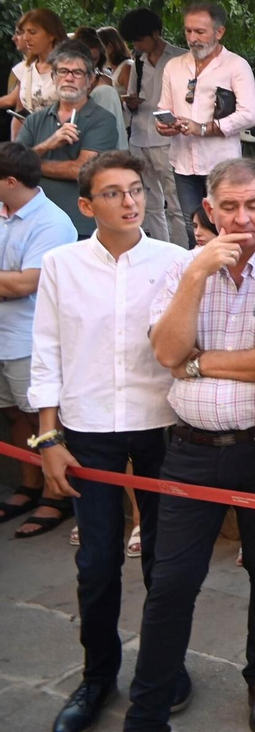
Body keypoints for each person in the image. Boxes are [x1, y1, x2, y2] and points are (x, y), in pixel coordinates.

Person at [124, 158, 255, 732]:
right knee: (172, 577)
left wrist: (201, 365)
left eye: (254, 204)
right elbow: (166, 352)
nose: (243, 217)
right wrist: (195, 277)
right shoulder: (184, 268)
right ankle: (150, 702)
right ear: (208, 209)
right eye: (229, 206)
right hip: (191, 449)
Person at [31, 151, 189, 732]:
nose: (129, 202)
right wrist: (48, 436)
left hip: (160, 427)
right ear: (86, 205)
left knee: (162, 563)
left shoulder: (175, 261)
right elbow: (47, 349)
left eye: (135, 191)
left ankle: (165, 666)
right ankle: (97, 676)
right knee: (96, 564)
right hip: (87, 431)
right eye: (114, 193)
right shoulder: (61, 264)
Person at [0, 143, 78, 534]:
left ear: (10, 181)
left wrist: (9, 283)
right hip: (3, 337)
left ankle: (55, 496)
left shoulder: (52, 222)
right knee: (13, 413)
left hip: (29, 339)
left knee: (40, 414)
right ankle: (28, 487)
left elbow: (27, 283)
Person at [154, 2, 255, 228]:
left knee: (225, 225)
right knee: (194, 229)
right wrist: (163, 126)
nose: (192, 38)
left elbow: (250, 114)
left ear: (219, 32)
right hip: (182, 162)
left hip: (221, 164)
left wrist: (202, 128)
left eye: (200, 32)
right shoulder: (174, 66)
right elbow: (165, 108)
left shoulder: (236, 66)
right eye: (188, 31)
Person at [20, 41, 123, 237]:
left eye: (77, 73)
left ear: (90, 79)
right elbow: (10, 168)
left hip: (80, 225)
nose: (69, 78)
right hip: (34, 223)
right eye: (63, 71)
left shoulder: (102, 119)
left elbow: (81, 170)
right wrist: (47, 144)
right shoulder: (35, 120)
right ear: (53, 77)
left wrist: (32, 164)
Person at [117, 8, 188, 243]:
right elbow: (132, 97)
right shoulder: (138, 62)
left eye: (140, 39)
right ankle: (159, 247)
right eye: (133, 41)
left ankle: (181, 252)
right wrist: (132, 103)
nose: (137, 45)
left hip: (169, 140)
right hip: (139, 137)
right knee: (149, 201)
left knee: (176, 202)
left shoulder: (181, 59)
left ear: (155, 33)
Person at [4, 7, 65, 135]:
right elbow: (20, 111)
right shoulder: (26, 68)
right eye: (23, 32)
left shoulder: (67, 68)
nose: (26, 37)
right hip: (30, 139)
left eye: (32, 32)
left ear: (51, 35)